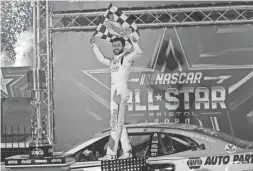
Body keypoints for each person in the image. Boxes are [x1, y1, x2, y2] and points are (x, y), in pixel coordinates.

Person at [89, 32, 143, 160]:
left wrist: (132, 39)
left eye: (118, 45)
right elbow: (102, 59)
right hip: (115, 93)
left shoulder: (126, 58)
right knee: (119, 123)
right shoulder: (113, 61)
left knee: (114, 123)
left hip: (119, 94)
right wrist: (93, 45)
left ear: (123, 46)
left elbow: (139, 52)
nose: (115, 47)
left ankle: (111, 154)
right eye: (114, 45)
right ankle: (127, 151)